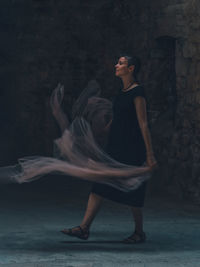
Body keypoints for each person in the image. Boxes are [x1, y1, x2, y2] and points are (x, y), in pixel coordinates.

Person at [60, 55, 157, 244]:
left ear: (131, 69)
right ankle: (84, 228)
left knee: (133, 189)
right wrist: (103, 131)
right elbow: (118, 117)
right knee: (100, 185)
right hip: (116, 145)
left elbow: (143, 123)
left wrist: (149, 153)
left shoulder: (138, 92)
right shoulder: (121, 92)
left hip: (132, 147)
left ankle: (139, 232)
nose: (116, 65)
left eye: (121, 63)